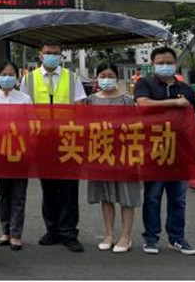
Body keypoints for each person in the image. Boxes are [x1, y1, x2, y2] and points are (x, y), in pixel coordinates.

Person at [19, 40, 87, 253]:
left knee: (69, 188)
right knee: (48, 188)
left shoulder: (72, 77)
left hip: (68, 139)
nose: (52, 56)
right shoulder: (28, 79)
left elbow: (80, 107)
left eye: (56, 53)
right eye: (48, 52)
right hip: (41, 141)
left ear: (61, 56)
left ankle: (69, 233)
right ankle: (52, 230)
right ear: (40, 55)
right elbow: (23, 109)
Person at [134, 46, 195, 256]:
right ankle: (151, 238)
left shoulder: (186, 89)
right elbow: (143, 104)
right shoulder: (145, 84)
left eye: (168, 62)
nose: (165, 66)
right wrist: (174, 102)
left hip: (180, 151)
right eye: (160, 63)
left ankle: (177, 238)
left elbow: (192, 122)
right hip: (154, 149)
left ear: (175, 63)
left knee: (178, 198)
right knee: (152, 197)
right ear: (152, 64)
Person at [86, 63, 141, 253]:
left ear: (117, 77)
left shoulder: (127, 100)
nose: (106, 79)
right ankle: (108, 234)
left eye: (110, 75)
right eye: (102, 75)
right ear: (96, 77)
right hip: (101, 153)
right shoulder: (91, 100)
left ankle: (125, 236)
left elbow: (136, 126)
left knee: (126, 196)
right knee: (106, 196)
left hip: (124, 153)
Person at [0, 60, 31, 251]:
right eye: (3, 74)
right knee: (3, 194)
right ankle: (5, 231)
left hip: (20, 153)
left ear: (17, 77)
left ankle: (16, 233)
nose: (7, 78)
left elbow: (31, 125)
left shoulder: (24, 99)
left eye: (11, 74)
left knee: (18, 195)